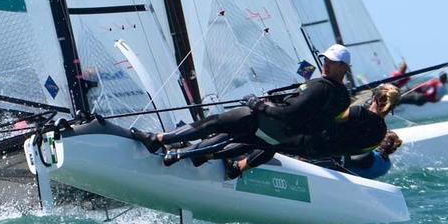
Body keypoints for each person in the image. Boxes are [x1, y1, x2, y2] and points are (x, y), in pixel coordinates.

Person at [131, 43, 353, 167]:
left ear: (343, 67)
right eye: (325, 60)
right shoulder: (344, 97)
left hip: (267, 122)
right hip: (282, 137)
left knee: (215, 123)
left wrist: (257, 104)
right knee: (231, 138)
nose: (325, 64)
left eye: (331, 62)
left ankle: (158, 139)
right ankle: (183, 157)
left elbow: (289, 111)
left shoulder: (319, 86)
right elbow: (322, 123)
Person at [220, 83, 400, 179]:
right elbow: (356, 150)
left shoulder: (360, 114)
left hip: (317, 148)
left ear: (376, 99)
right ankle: (239, 162)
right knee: (274, 142)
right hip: (325, 154)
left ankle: (230, 162)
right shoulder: (381, 137)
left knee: (269, 137)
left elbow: (331, 118)